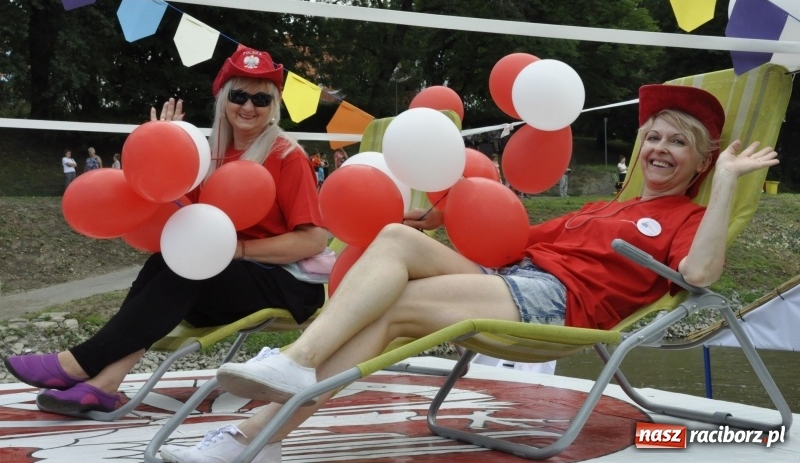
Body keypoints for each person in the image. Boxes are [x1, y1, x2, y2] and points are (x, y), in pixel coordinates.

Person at [157, 83, 778, 463]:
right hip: (515, 277)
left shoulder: (689, 218)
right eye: (654, 139)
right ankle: (280, 391)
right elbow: (512, 243)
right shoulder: (603, 207)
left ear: (702, 161)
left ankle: (257, 426)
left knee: (395, 311)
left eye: (678, 143)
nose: (660, 150)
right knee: (397, 236)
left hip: (557, 303)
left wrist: (726, 183)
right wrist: (440, 216)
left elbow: (700, 272)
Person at [2, 45, 328, 418]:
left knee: (193, 268)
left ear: (274, 106)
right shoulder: (208, 154)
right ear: (223, 100)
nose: (248, 106)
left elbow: (314, 239)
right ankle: (103, 385)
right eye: (239, 96)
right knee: (168, 261)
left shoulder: (287, 156)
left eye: (261, 99)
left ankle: (76, 363)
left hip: (285, 283)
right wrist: (164, 145)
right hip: (225, 278)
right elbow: (182, 215)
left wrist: (235, 250)